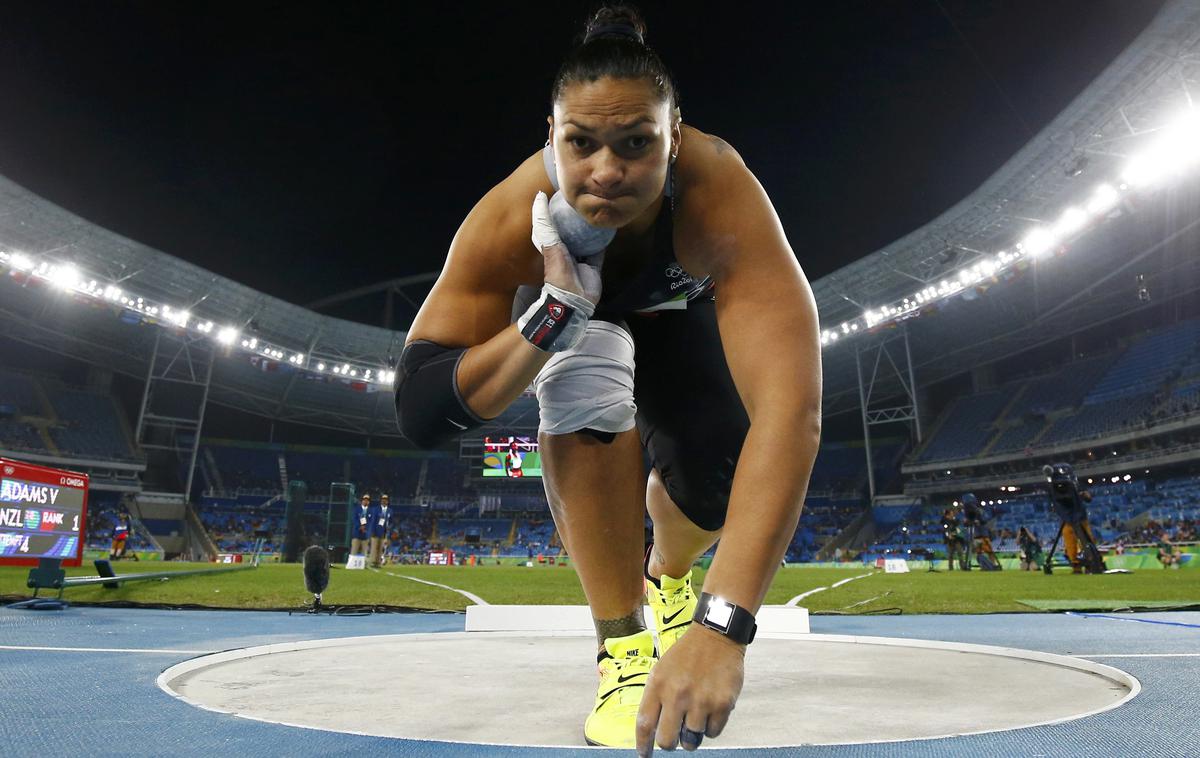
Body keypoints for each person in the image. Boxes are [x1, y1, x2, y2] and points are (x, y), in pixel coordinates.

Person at [394, 5, 820, 752]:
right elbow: (423, 408)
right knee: (582, 368)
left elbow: (791, 413)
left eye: (637, 144)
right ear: (551, 138)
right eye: (581, 143)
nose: (607, 172)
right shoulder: (509, 216)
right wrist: (552, 314)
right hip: (571, 322)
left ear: (675, 138)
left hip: (676, 323)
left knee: (718, 478)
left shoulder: (719, 194)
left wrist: (724, 627)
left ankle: (671, 569)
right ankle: (623, 647)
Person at [369, 493, 393, 568]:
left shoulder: (390, 511)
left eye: (386, 500)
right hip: (375, 531)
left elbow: (391, 522)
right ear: (381, 501)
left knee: (380, 548)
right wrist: (372, 531)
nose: (384, 501)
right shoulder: (376, 509)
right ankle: (372, 562)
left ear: (388, 501)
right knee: (374, 547)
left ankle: (378, 562)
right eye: (383, 500)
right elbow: (373, 521)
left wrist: (389, 530)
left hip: (384, 532)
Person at [351, 494, 372, 559]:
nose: (366, 501)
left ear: (369, 502)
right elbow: (354, 519)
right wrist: (360, 527)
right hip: (357, 533)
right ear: (362, 501)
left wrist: (365, 527)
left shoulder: (371, 511)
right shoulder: (356, 509)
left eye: (367, 500)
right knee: (354, 550)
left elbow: (371, 521)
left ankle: (364, 564)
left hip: (365, 534)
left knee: (364, 551)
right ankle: (352, 563)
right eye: (364, 500)